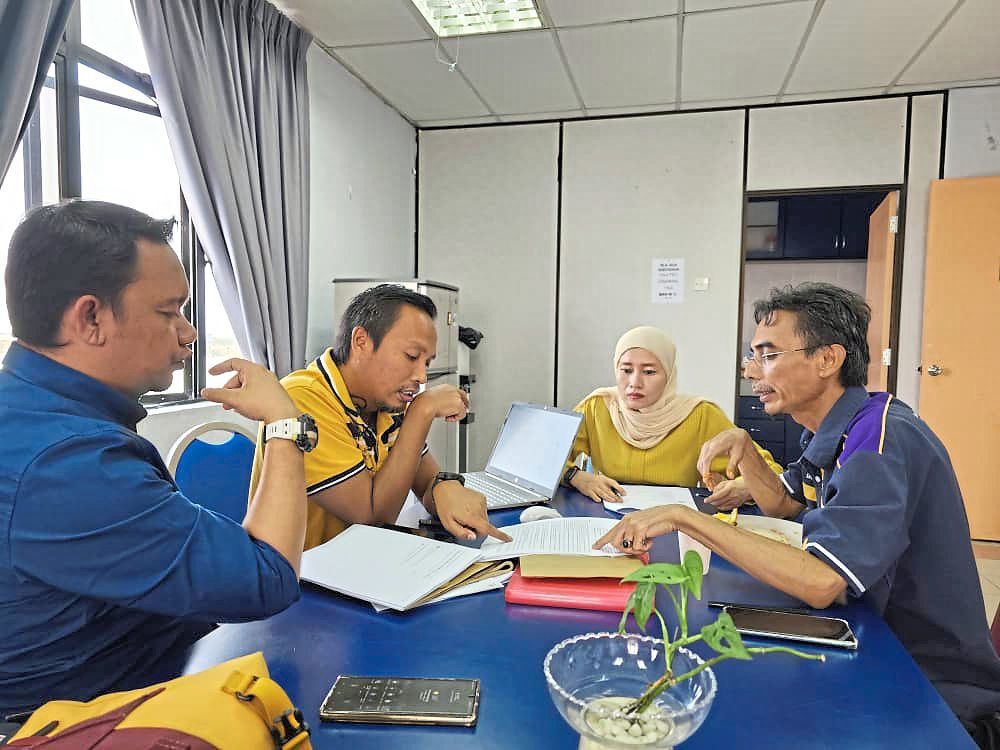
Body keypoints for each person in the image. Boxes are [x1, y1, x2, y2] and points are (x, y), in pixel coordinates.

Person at [594, 283, 1000, 743]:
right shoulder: (842, 426)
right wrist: (746, 450)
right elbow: (785, 502)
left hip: (928, 694)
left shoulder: (877, 444)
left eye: (767, 355)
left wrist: (687, 518)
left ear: (827, 359)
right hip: (873, 642)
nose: (750, 371)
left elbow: (823, 582)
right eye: (752, 356)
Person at [0, 200, 313, 715]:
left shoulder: (31, 415)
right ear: (91, 318)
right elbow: (268, 578)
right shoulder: (68, 464)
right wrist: (284, 425)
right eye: (169, 312)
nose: (189, 333)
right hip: (90, 721)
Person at [249, 284, 510, 550]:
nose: (421, 376)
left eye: (426, 362)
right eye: (411, 356)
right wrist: (422, 411)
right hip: (304, 569)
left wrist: (446, 486)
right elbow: (373, 518)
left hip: (363, 558)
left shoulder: (384, 401)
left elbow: (426, 480)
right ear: (361, 341)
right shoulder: (302, 399)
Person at [563, 326, 782, 507]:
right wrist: (576, 477)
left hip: (677, 523)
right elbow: (547, 459)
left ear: (668, 375)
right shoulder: (597, 407)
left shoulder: (700, 414)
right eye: (626, 370)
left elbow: (770, 472)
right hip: (606, 516)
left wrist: (742, 487)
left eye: (649, 372)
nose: (635, 383)